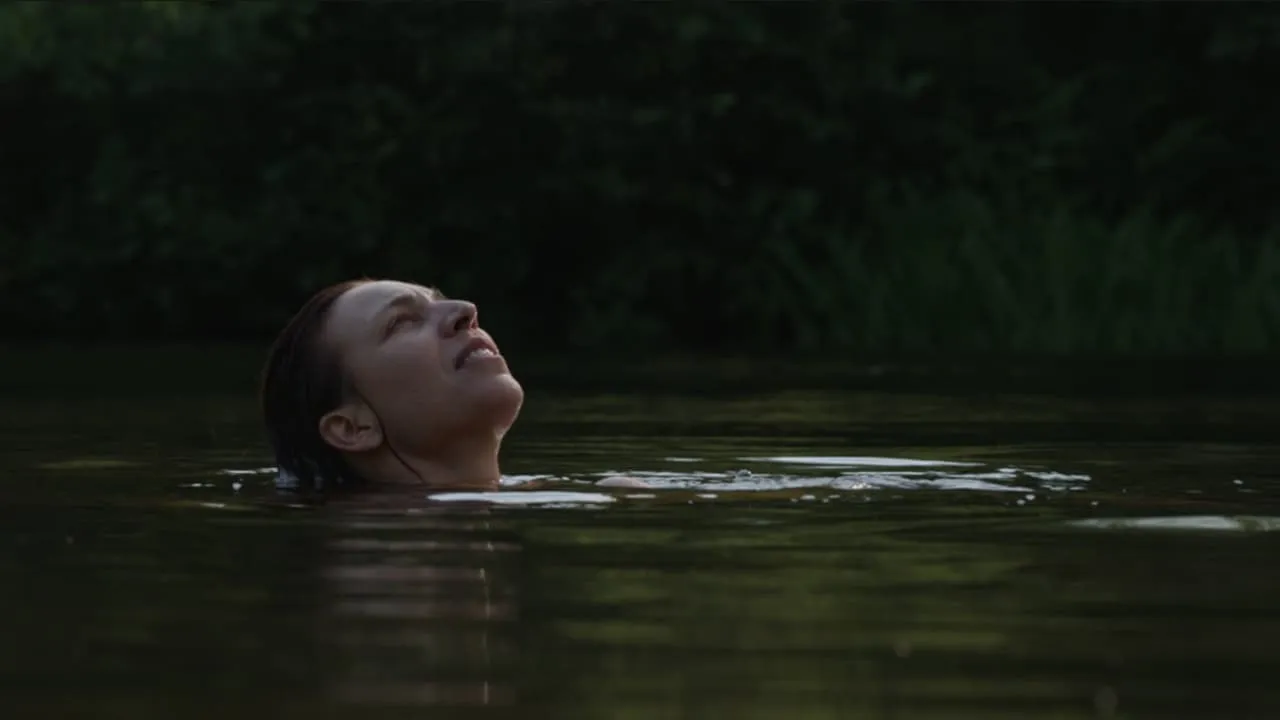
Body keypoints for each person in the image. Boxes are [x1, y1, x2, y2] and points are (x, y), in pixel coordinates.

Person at [260, 278, 646, 493]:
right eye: (401, 323)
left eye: (439, 302)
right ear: (352, 428)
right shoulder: (608, 498)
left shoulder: (611, 493)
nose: (465, 310)